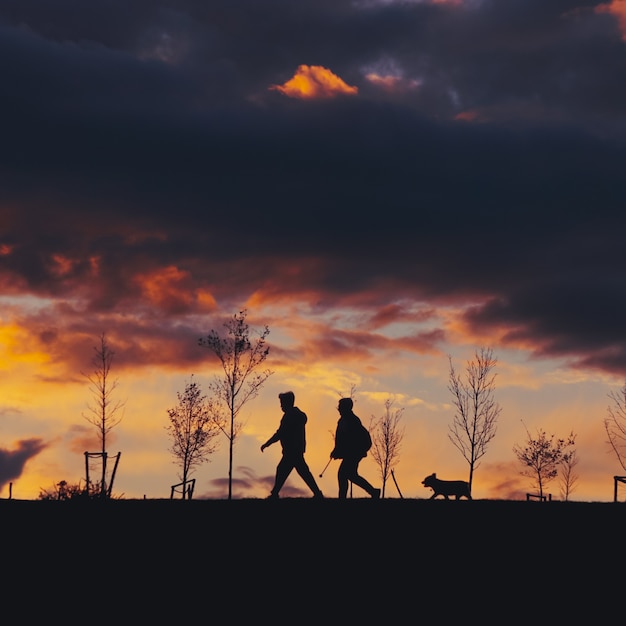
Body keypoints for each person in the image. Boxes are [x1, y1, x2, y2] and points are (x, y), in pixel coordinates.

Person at [261, 391, 324, 499]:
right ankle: (317, 493)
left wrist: (267, 443)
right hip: (297, 449)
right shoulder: (297, 415)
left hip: (291, 450)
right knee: (300, 472)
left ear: (287, 402)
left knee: (284, 470)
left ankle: (275, 493)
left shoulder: (289, 416)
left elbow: (280, 433)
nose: (281, 405)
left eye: (282, 403)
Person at [330, 397, 381, 499]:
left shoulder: (353, 420)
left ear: (346, 408)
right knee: (350, 475)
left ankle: (343, 498)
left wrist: (340, 451)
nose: (339, 409)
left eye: (340, 407)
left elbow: (351, 440)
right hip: (351, 452)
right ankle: (373, 491)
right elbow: (340, 440)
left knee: (343, 474)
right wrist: (336, 450)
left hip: (355, 451)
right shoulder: (342, 421)